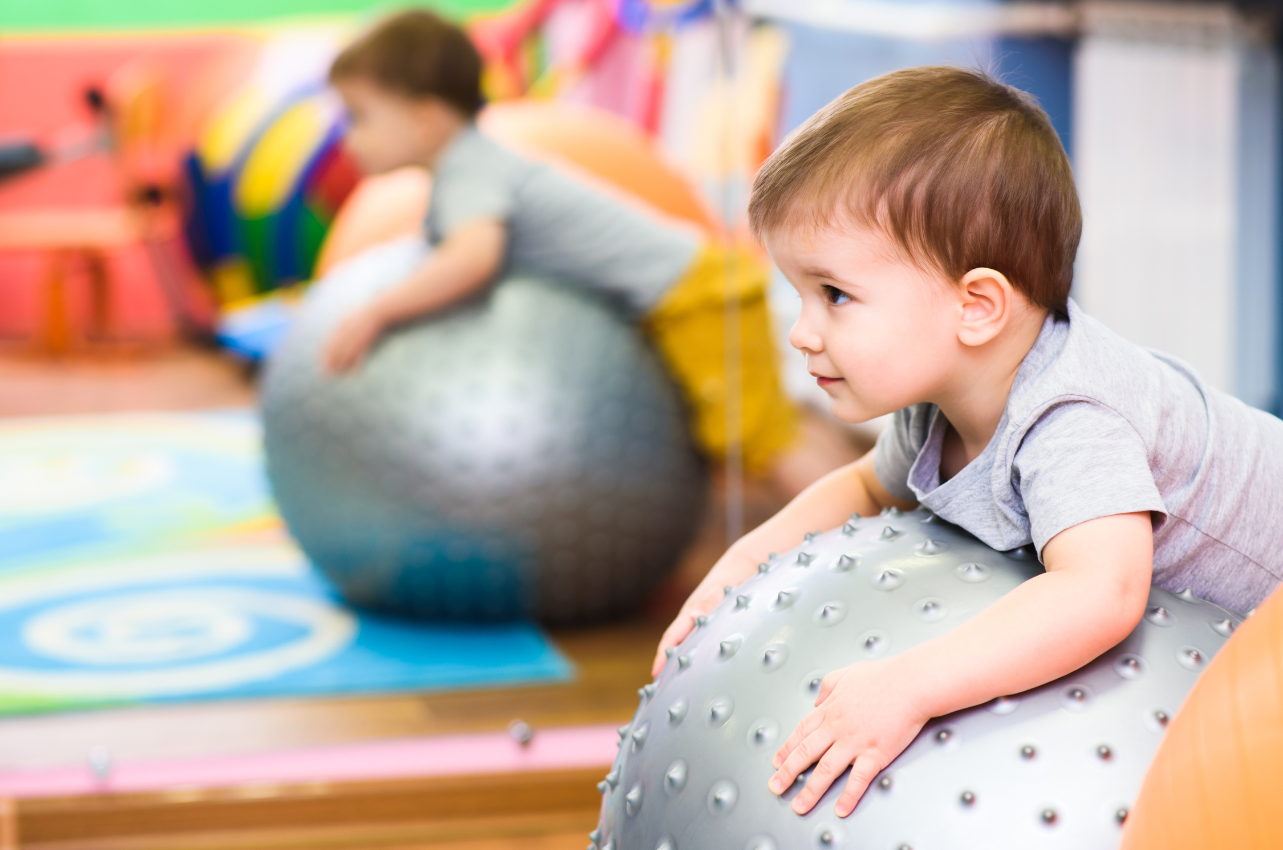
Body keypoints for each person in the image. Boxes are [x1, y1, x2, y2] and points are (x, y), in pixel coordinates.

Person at [653, 65, 1283, 818]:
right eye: (799, 295)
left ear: (976, 306)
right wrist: (738, 572)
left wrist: (907, 685)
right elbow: (860, 487)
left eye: (835, 296)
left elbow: (1099, 593)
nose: (800, 333)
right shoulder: (941, 403)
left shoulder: (1069, 416)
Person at [320, 8, 858, 493]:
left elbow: (470, 259)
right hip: (701, 280)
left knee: (760, 442)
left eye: (359, 117)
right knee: (775, 428)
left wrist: (377, 311)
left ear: (424, 118)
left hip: (693, 295)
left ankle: (855, 534)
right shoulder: (473, 164)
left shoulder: (469, 172)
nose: (348, 139)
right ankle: (867, 514)